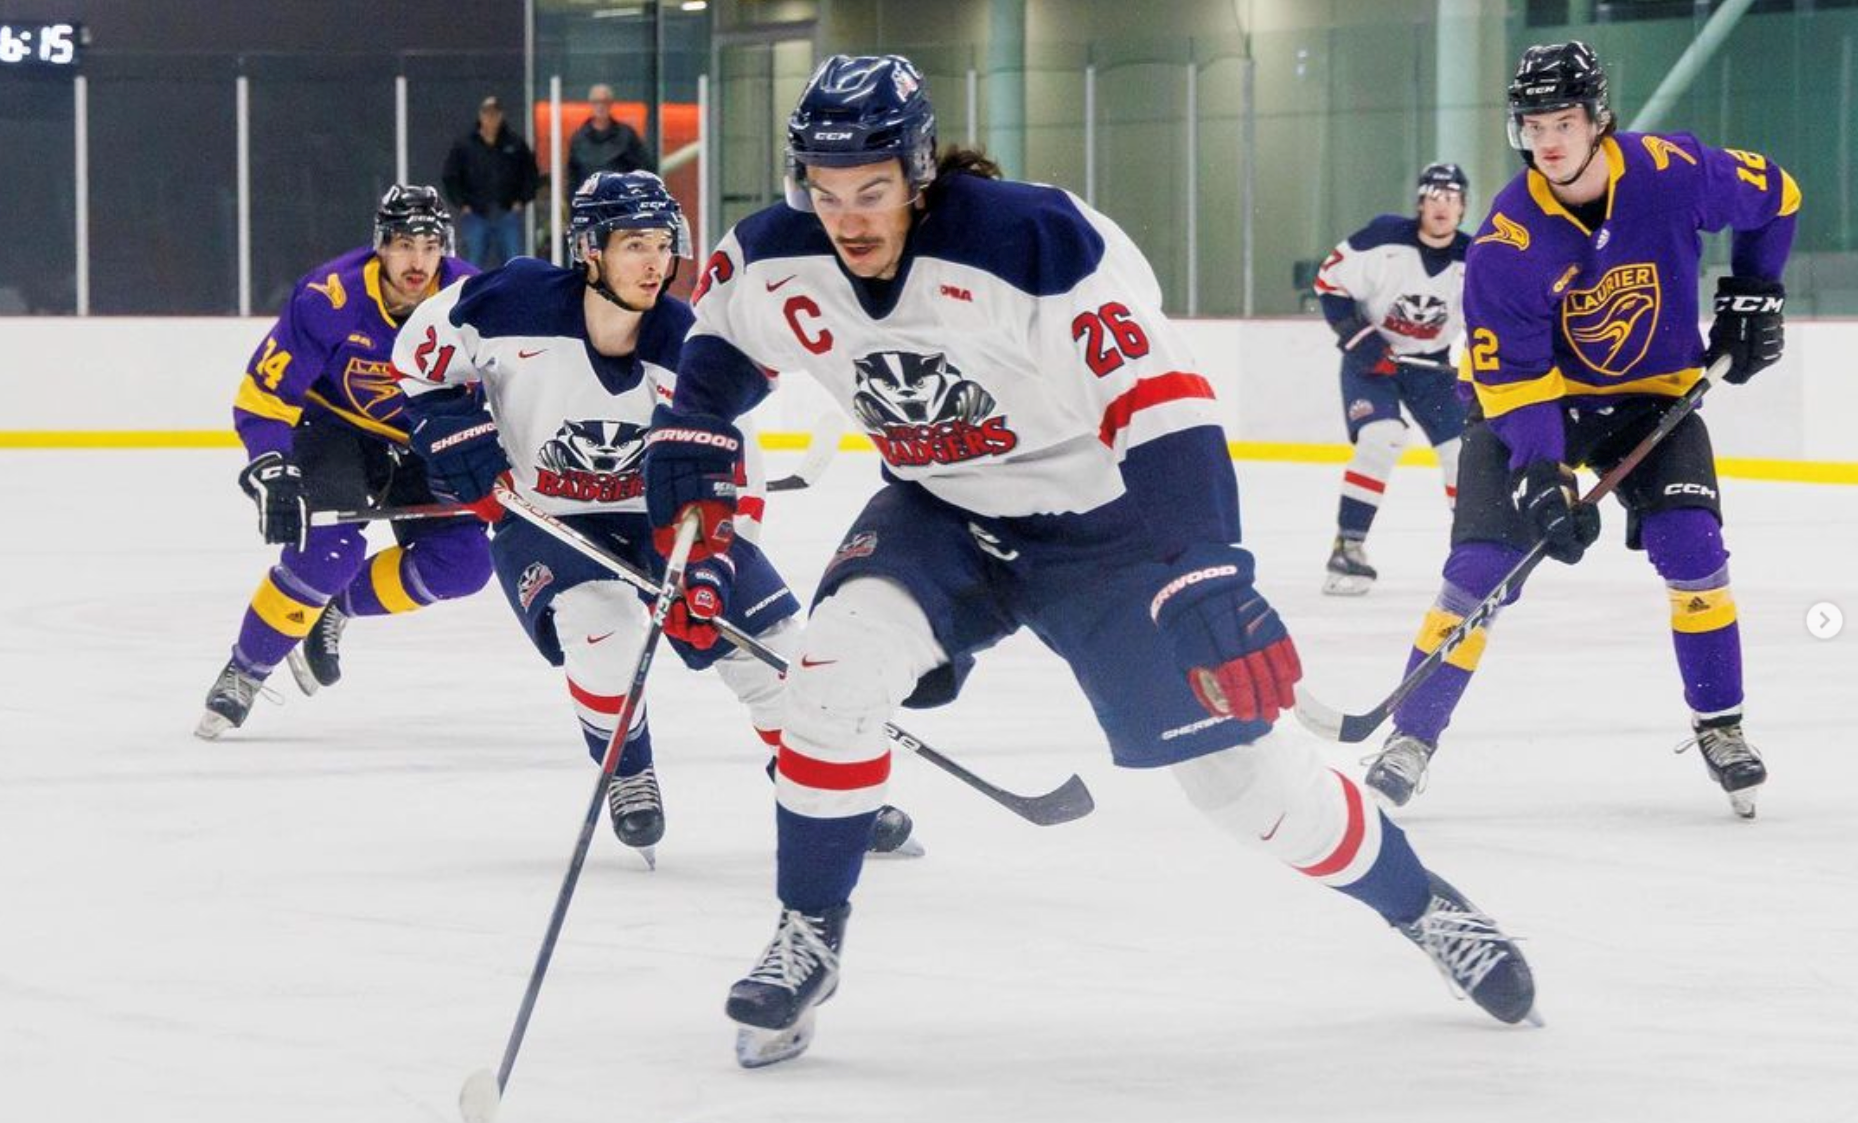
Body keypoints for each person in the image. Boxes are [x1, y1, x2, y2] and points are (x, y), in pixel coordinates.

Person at [642, 54, 1539, 1068]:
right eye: (826, 190)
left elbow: (1160, 408)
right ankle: (808, 931)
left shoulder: (1032, 242)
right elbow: (719, 352)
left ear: (920, 172)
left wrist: (1203, 569)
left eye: (874, 191)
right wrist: (694, 441)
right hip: (941, 513)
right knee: (832, 674)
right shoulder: (774, 255)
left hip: (1101, 530)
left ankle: (1426, 909)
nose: (847, 218)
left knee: (1247, 790)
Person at [393, 171, 916, 863]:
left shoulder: (690, 344)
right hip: (545, 516)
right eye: (634, 243)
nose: (654, 263)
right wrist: (456, 432)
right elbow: (421, 362)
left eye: (664, 244)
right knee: (599, 628)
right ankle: (628, 765)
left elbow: (736, 471)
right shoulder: (507, 300)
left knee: (776, 652)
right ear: (590, 249)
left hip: (666, 518)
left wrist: (711, 566)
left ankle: (815, 780)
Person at [1361, 42, 1796, 820]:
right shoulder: (1506, 239)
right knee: (1485, 566)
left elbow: (1781, 195)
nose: (1549, 141)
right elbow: (1512, 376)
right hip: (1537, 403)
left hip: (1649, 396)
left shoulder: (1672, 171)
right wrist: (1541, 471)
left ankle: (1721, 725)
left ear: (1600, 119)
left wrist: (1757, 288)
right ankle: (1411, 738)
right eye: (1533, 124)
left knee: (1692, 545)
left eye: (1564, 121)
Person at [196, 186, 491, 739]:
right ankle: (246, 669)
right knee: (326, 551)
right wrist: (272, 465)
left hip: (427, 433)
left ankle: (335, 607)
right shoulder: (328, 298)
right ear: (380, 245)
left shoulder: (472, 297)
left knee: (465, 563)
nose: (417, 261)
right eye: (404, 245)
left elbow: (511, 387)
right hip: (335, 429)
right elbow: (265, 396)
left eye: (429, 246)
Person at [1313, 162, 1473, 595]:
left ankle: (1475, 548)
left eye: (1452, 198)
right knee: (1380, 438)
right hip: (1373, 363)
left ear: (1463, 208)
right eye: (1434, 197)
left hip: (1432, 369)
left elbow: (1490, 319)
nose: (1443, 206)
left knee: (1464, 452)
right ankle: (1348, 545)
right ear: (1420, 203)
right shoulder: (1382, 239)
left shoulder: (1474, 258)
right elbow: (1329, 282)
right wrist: (1361, 341)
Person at [443, 96, 539, 270]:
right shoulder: (465, 145)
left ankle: (514, 296)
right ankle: (473, 296)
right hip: (476, 214)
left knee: (514, 263)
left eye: (494, 114)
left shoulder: (515, 144)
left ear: (501, 116)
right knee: (472, 264)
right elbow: (451, 176)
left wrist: (521, 201)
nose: (491, 119)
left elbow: (530, 174)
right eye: (487, 114)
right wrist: (462, 203)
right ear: (480, 116)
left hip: (507, 213)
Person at [567, 83, 656, 189]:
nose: (600, 106)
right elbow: (573, 178)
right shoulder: (578, 139)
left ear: (611, 104)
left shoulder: (626, 136)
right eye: (596, 102)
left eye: (604, 102)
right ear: (590, 104)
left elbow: (644, 169)